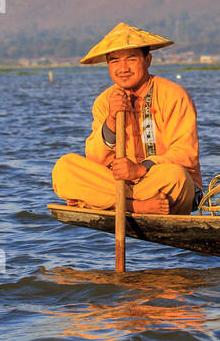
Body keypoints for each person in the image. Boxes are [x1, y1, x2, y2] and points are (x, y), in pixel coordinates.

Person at [52, 23, 201, 215]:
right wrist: (111, 121)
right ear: (108, 65)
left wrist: (140, 169)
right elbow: (95, 159)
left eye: (131, 59)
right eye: (114, 61)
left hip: (163, 186)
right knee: (64, 169)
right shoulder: (104, 102)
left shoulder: (173, 95)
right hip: (123, 188)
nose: (123, 68)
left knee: (175, 175)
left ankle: (98, 203)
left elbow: (185, 154)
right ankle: (134, 207)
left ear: (147, 60)